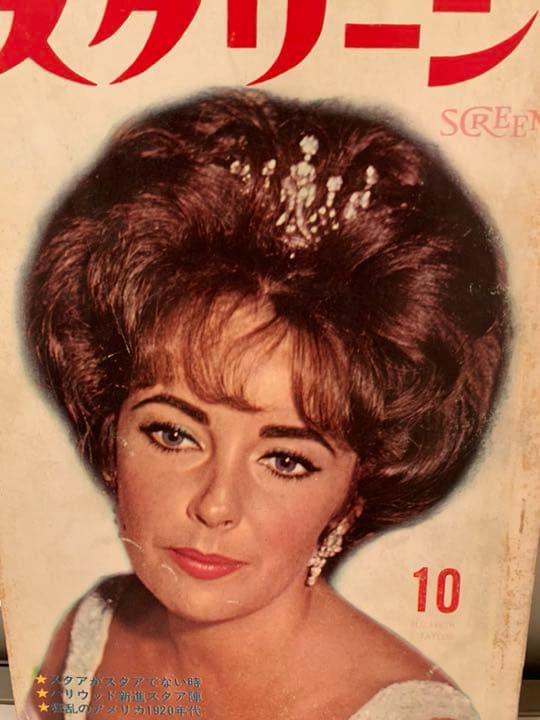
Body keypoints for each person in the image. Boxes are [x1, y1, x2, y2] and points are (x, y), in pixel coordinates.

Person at [23, 89, 507, 720]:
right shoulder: (90, 631)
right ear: (111, 434)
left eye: (285, 460)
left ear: (353, 495)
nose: (215, 506)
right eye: (173, 434)